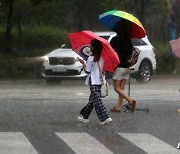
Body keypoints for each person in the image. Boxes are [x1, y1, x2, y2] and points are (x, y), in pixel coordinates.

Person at [77, 38, 112, 125]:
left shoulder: (90, 59)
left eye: (91, 45)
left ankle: (85, 116)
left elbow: (87, 71)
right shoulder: (103, 58)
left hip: (93, 81)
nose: (89, 47)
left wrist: (83, 63)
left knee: (94, 100)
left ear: (94, 47)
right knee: (96, 99)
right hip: (99, 80)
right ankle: (104, 118)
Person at [110, 21, 136, 112]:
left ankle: (130, 100)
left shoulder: (114, 40)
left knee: (116, 88)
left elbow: (110, 52)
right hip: (127, 67)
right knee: (121, 88)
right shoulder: (129, 40)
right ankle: (118, 107)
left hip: (118, 66)